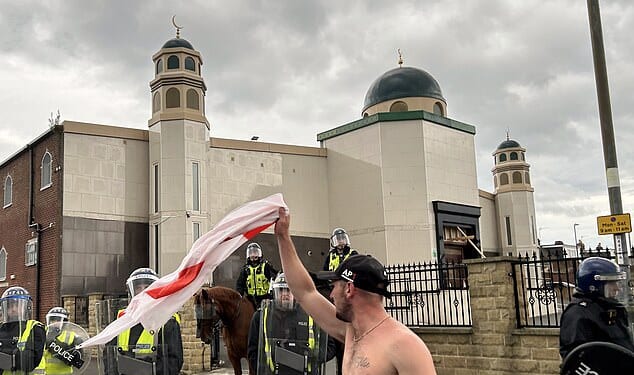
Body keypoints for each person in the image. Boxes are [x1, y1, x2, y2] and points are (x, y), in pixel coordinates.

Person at [274, 207, 437, 374]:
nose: (331, 294)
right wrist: (283, 237)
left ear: (349, 289)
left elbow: (306, 293)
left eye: (334, 286)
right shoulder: (351, 331)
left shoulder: (406, 347)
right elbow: (305, 293)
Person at [247, 273, 336, 375]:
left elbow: (329, 347)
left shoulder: (312, 314)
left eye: (289, 290)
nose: (285, 294)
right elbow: (252, 351)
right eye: (281, 290)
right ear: (274, 292)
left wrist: (311, 357)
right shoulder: (261, 316)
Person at [105, 268, 183, 375]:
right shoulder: (122, 318)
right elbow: (109, 355)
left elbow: (173, 362)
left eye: (147, 287)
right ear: (131, 291)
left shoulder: (167, 320)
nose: (142, 292)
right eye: (138, 288)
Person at [559, 257, 634, 359]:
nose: (617, 288)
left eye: (617, 282)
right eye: (612, 283)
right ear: (594, 286)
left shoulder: (612, 308)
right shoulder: (578, 315)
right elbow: (578, 359)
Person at [322, 228, 358, 375]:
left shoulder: (353, 254)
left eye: (342, 239)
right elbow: (323, 272)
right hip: (334, 290)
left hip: (348, 291)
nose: (341, 242)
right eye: (338, 239)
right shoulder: (330, 256)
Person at [0, 286, 46, 375]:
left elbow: (29, 361)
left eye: (17, 305)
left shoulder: (35, 328)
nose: (13, 309)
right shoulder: (1, 328)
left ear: (26, 307)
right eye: (10, 306)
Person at [36, 307, 85, 375]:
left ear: (65, 322)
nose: (54, 323)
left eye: (58, 320)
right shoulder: (42, 334)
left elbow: (79, 362)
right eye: (52, 320)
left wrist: (74, 354)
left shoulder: (72, 337)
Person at [236, 242, 278, 309]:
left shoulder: (266, 267)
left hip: (265, 299)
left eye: (255, 252)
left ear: (259, 254)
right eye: (250, 253)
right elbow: (240, 284)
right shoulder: (245, 269)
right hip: (250, 299)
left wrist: (271, 295)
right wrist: (239, 296)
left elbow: (275, 278)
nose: (253, 255)